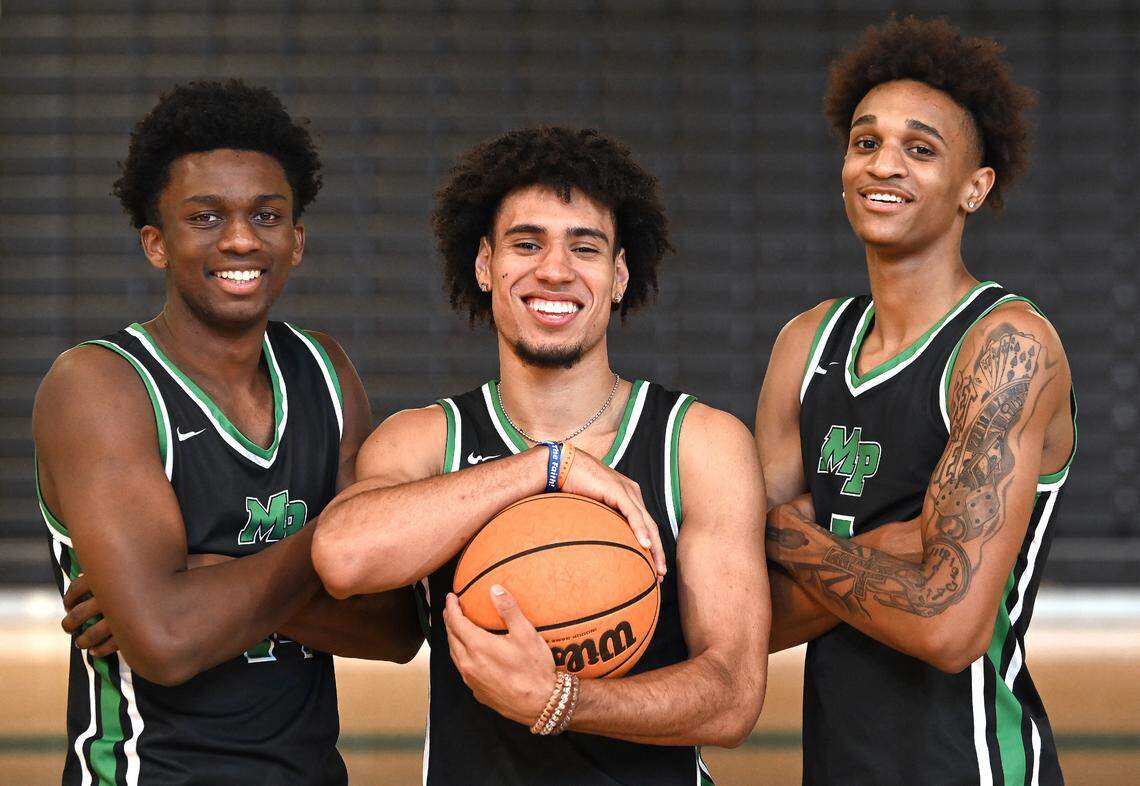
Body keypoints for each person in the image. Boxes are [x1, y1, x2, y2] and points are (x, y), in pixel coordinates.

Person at [312, 126, 769, 785]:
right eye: (527, 244)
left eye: (585, 248)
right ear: (483, 265)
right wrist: (545, 467)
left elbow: (731, 697)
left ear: (618, 276)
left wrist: (562, 701)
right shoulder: (425, 441)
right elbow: (342, 556)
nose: (554, 269)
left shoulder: (699, 444)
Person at [33, 80, 423, 785]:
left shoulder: (326, 373)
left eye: (266, 216)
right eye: (206, 216)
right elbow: (167, 641)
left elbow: (395, 627)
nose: (241, 238)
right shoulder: (99, 386)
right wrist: (341, 544)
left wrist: (208, 575)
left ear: (296, 240)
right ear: (156, 242)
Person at [755, 16, 1077, 786]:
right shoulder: (806, 344)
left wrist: (790, 537)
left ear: (976, 186)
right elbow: (745, 614)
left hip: (974, 766)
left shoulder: (1007, 349)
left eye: (920, 149)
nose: (882, 165)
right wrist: (894, 550)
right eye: (866, 142)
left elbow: (949, 625)